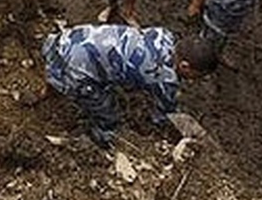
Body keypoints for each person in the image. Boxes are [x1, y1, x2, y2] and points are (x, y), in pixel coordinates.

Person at [41, 24, 218, 148]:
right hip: (76, 69)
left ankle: (50, 87)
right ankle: (100, 138)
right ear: (185, 66)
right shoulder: (165, 80)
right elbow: (165, 116)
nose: (196, 80)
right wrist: (186, 132)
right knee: (110, 117)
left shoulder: (164, 35)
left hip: (69, 39)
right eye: (197, 75)